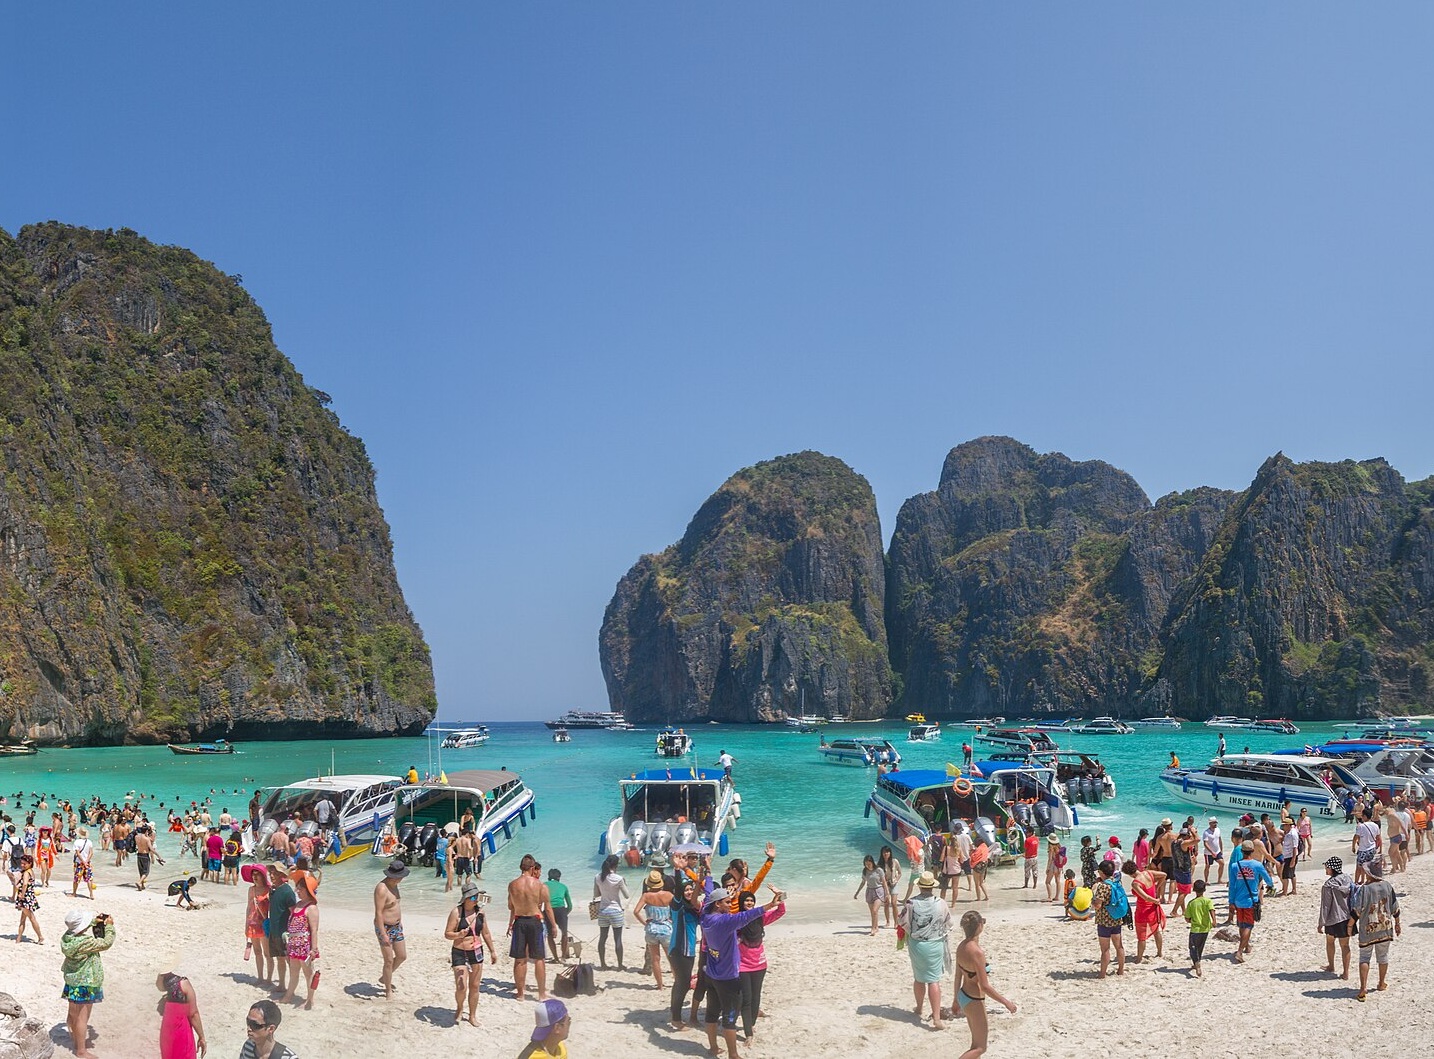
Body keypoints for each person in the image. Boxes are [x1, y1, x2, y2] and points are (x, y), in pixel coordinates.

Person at [699, 885, 781, 1059]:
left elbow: (707, 895)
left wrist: (708, 875)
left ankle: (713, 1048)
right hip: (727, 977)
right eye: (727, 902)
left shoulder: (705, 916)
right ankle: (733, 1055)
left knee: (711, 1014)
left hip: (711, 974)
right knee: (729, 1018)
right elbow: (747, 915)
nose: (731, 905)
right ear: (717, 904)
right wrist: (770, 905)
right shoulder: (724, 922)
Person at [953, 910, 1016, 1058]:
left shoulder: (961, 946)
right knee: (980, 1048)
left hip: (963, 995)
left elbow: (957, 976)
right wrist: (1006, 1003)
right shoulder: (977, 952)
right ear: (980, 926)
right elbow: (985, 986)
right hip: (974, 999)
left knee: (975, 1045)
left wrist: (955, 999)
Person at [61, 909, 114, 1059]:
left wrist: (93, 922)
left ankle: (74, 1039)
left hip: (73, 980)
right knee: (82, 1018)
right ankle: (81, 1051)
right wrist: (109, 927)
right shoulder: (85, 942)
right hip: (86, 982)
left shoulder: (67, 938)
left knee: (73, 1013)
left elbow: (77, 929)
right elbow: (106, 943)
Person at [900, 871, 950, 1031]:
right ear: (932, 887)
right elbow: (948, 923)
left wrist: (913, 933)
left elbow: (902, 922)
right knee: (934, 980)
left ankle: (919, 1007)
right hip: (935, 944)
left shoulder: (911, 903)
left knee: (919, 977)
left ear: (920, 886)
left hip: (917, 944)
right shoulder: (941, 903)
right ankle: (936, 1018)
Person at [736, 886, 785, 1042]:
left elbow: (780, 912)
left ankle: (751, 1025)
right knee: (746, 999)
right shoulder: (737, 920)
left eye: (751, 900)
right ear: (741, 902)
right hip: (742, 965)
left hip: (759, 964)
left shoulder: (760, 918)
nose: (749, 903)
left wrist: (779, 895)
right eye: (746, 900)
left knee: (756, 996)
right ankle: (748, 1034)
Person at [444, 882, 496, 1026]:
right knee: (461, 986)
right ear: (465, 898)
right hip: (460, 952)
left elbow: (486, 933)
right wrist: (458, 934)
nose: (475, 900)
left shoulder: (481, 913)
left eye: (477, 897)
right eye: (472, 898)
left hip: (476, 952)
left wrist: (492, 951)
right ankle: (460, 1008)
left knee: (475, 986)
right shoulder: (456, 912)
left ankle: (472, 1015)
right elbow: (447, 934)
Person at [509, 853, 559, 1000]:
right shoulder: (540, 885)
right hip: (535, 921)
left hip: (519, 921)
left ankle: (520, 994)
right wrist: (554, 925)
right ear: (532, 868)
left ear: (521, 867)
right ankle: (541, 994)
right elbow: (548, 908)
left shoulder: (512, 885)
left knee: (520, 959)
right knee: (539, 959)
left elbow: (510, 906)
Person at [1352, 859, 1400, 1001]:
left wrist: (1350, 925)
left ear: (1369, 874)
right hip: (1385, 927)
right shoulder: (1387, 886)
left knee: (1364, 957)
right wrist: (1397, 924)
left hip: (1368, 929)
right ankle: (1381, 983)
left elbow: (1357, 910)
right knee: (1383, 956)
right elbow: (1395, 907)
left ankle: (1363, 988)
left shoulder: (1365, 889)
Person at [1228, 840, 1272, 963]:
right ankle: (1240, 951)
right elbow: (1268, 879)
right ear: (1252, 851)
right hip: (1251, 901)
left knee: (1241, 924)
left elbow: (1232, 886)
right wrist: (1271, 885)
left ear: (1242, 851)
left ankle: (1246, 946)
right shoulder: (1257, 865)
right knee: (1248, 925)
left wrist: (1231, 901)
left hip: (1238, 900)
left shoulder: (1235, 866)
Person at [279, 875, 320, 1009]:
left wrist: (313, 949)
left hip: (304, 946)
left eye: (300, 889)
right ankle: (288, 996)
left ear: (308, 890)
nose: (297, 891)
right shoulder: (298, 905)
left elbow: (314, 930)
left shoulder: (311, 908)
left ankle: (310, 1000)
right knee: (293, 972)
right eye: (297, 888)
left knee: (308, 974)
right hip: (293, 944)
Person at [632, 869, 675, 990]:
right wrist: (672, 920)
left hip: (651, 929)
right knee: (671, 958)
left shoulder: (646, 896)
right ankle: (677, 981)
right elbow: (678, 909)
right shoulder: (668, 895)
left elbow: (636, 912)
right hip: (666, 928)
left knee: (655, 959)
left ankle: (660, 985)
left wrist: (644, 923)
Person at [374, 857, 408, 999]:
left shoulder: (395, 885)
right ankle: (388, 990)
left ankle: (384, 977)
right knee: (388, 960)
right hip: (385, 927)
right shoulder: (382, 888)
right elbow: (378, 912)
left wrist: (400, 921)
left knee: (402, 956)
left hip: (396, 926)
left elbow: (395, 906)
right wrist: (383, 934)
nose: (401, 879)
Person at [156, 967, 206, 1059]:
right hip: (181, 1029)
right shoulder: (183, 983)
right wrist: (201, 1036)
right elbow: (193, 1014)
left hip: (167, 1030)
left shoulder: (162, 982)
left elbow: (160, 986)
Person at [1318, 855, 1355, 980]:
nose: (1325, 869)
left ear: (1332, 868)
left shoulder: (1328, 885)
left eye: (1327, 867)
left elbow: (1325, 906)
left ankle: (1331, 966)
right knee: (1345, 945)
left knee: (1330, 942)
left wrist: (1321, 923)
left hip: (1333, 918)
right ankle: (1346, 973)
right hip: (1347, 917)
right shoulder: (1348, 879)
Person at [1090, 860, 1126, 978]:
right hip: (1116, 918)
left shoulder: (1103, 886)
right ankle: (1120, 970)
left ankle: (1102, 974)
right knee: (1119, 946)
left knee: (1105, 950)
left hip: (1104, 921)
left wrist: (1092, 898)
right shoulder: (1117, 883)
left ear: (1101, 872)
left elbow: (1097, 905)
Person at [1126, 858, 1165, 963]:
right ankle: (1159, 952)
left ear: (1129, 874)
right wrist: (1157, 888)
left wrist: (1155, 900)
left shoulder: (1135, 883)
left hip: (1143, 910)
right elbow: (1164, 875)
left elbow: (1145, 897)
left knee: (1141, 936)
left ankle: (1139, 958)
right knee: (1156, 931)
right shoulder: (1149, 873)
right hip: (1153, 908)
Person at [265, 864, 296, 997]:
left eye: (276, 873)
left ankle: (291, 988)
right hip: (274, 930)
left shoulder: (288, 892)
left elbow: (293, 913)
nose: (272, 876)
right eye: (271, 873)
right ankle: (282, 984)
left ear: (282, 875)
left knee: (289, 961)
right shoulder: (273, 891)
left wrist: (290, 933)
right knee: (280, 959)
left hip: (284, 932)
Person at [242, 865, 273, 985]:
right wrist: (246, 924)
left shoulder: (269, 890)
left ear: (262, 876)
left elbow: (272, 909)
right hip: (252, 923)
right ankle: (260, 977)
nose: (254, 877)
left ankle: (269, 978)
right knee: (257, 952)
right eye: (253, 874)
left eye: (257, 874)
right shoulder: (251, 889)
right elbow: (248, 907)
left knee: (267, 953)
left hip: (263, 924)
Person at [1182, 878, 1214, 978]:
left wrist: (1191, 921)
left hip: (1195, 929)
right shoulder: (1208, 901)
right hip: (1206, 929)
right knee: (1200, 947)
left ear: (1194, 890)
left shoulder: (1191, 903)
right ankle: (1198, 960)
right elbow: (1212, 910)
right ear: (1204, 889)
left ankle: (1196, 963)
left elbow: (1187, 918)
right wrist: (1214, 921)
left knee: (1192, 947)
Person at [853, 854, 886, 935]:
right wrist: (857, 892)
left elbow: (884, 882)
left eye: (869, 864)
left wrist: (887, 893)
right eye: (866, 864)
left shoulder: (878, 870)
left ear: (872, 862)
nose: (867, 865)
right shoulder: (865, 871)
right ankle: (876, 927)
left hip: (879, 891)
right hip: (869, 891)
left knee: (874, 910)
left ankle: (873, 928)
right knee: (873, 912)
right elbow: (863, 882)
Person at [545, 868, 572, 962]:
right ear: (559, 877)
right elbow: (570, 905)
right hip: (561, 910)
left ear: (549, 877)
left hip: (548, 910)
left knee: (550, 935)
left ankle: (556, 958)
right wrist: (565, 913)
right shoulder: (564, 887)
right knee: (564, 934)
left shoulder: (544, 885)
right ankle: (563, 957)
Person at [15, 854, 42, 944]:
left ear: (30, 863)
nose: (22, 865)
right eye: (21, 863)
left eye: (24, 864)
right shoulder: (30, 871)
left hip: (25, 898)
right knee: (23, 919)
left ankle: (40, 937)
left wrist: (22, 896)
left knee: (32, 918)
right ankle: (19, 938)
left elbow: (25, 884)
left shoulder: (26, 873)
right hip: (30, 897)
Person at [1352, 809, 1381, 882]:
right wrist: (1377, 847)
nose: (1361, 817)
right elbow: (1378, 838)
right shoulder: (1376, 825)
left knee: (1359, 867)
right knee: (1367, 866)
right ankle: (1365, 880)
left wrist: (1353, 847)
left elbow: (1355, 837)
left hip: (1363, 850)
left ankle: (1356, 882)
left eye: (1362, 815)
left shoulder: (1361, 826)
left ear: (1365, 816)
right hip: (1372, 849)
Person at [70, 826, 95, 900]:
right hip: (88, 863)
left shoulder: (77, 842)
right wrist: (86, 861)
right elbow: (91, 853)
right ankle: (91, 894)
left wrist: (83, 862)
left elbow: (78, 853)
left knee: (76, 879)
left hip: (79, 863)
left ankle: (74, 893)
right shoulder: (89, 842)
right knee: (89, 879)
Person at [1201, 817, 1224, 884]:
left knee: (1222, 863)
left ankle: (1219, 880)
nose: (1215, 824)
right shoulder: (1206, 832)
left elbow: (1220, 840)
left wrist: (1221, 850)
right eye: (1214, 823)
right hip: (1208, 853)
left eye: (1216, 822)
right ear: (1210, 823)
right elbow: (1205, 843)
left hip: (1217, 851)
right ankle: (1206, 881)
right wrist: (1212, 852)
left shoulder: (1218, 830)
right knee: (1207, 866)